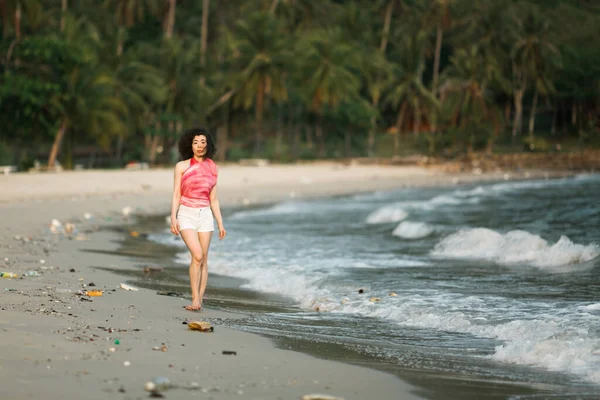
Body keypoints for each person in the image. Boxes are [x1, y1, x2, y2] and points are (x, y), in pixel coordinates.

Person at [170, 127, 226, 311]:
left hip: (205, 215)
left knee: (204, 260)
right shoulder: (182, 166)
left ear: (208, 144)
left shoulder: (213, 167)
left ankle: (199, 300)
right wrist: (173, 218)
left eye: (203, 142)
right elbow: (176, 195)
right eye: (195, 142)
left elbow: (214, 199)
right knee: (197, 255)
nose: (200, 145)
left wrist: (220, 223)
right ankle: (194, 298)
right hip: (186, 213)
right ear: (190, 145)